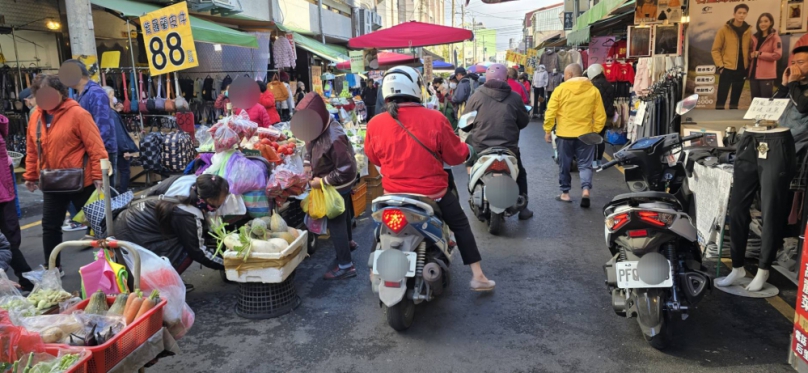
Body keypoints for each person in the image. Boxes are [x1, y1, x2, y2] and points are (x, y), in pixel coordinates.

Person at [365, 65, 496, 292]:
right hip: (432, 194)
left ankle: (372, 272)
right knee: (460, 223)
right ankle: (478, 276)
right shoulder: (434, 119)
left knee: (380, 229)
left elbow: (372, 156)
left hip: (392, 196)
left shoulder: (375, 123)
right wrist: (469, 152)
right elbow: (455, 155)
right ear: (416, 88)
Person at [23, 75, 108, 272]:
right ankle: (52, 269)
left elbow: (96, 148)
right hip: (52, 181)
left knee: (100, 226)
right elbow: (32, 149)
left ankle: (112, 265)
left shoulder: (78, 114)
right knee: (50, 226)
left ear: (61, 93)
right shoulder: (36, 116)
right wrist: (30, 175)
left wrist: (97, 176)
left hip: (83, 182)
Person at [296, 93, 358, 280]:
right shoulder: (317, 127)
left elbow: (346, 169)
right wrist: (307, 162)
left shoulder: (334, 136)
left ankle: (346, 265)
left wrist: (321, 182)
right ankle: (348, 242)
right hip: (330, 178)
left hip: (338, 182)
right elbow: (309, 144)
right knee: (344, 210)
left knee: (336, 220)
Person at [114, 174, 228, 275]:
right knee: (186, 250)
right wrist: (228, 264)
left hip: (125, 219)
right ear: (208, 199)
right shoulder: (186, 214)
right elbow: (198, 251)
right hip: (134, 234)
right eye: (220, 202)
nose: (221, 205)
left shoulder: (186, 181)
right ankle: (163, 284)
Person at [464, 64, 533, 219]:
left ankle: (473, 193)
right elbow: (523, 122)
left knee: (470, 165)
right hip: (508, 148)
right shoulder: (515, 97)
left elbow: (465, 122)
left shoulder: (476, 96)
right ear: (506, 79)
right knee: (520, 173)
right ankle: (523, 210)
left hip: (481, 147)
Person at [543, 64, 606, 208]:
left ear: (570, 74)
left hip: (565, 134)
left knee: (564, 164)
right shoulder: (593, 90)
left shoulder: (560, 90)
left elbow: (551, 111)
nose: (564, 77)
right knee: (585, 165)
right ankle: (585, 191)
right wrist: (594, 131)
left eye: (565, 74)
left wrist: (547, 130)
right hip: (586, 133)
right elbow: (600, 115)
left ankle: (565, 193)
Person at [0, 115, 33, 291]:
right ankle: (27, 280)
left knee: (7, 241)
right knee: (8, 240)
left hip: (3, 193)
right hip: (4, 191)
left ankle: (27, 280)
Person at [711, 4, 752, 110]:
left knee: (735, 100)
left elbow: (750, 49)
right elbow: (715, 50)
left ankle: (732, 122)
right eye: (739, 13)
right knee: (721, 98)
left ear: (746, 14)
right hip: (727, 69)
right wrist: (720, 66)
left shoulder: (748, 31)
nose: (742, 15)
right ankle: (718, 120)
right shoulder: (724, 30)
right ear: (734, 14)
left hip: (742, 69)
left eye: (744, 13)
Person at [102, 86, 139, 192]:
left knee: (112, 172)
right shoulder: (112, 114)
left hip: (110, 147)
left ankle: (115, 194)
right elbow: (118, 133)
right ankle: (121, 194)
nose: (114, 98)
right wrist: (125, 149)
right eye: (112, 95)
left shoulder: (105, 112)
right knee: (124, 171)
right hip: (117, 147)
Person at [585, 64, 615, 167]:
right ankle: (599, 161)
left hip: (596, 116)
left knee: (593, 139)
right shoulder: (610, 85)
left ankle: (593, 162)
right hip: (607, 116)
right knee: (601, 138)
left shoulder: (593, 86)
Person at [749, 13, 782, 99]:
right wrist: (751, 55)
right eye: (760, 22)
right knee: (755, 102)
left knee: (765, 102)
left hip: (766, 76)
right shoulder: (754, 37)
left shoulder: (775, 38)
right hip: (753, 74)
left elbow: (777, 55)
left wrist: (759, 54)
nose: (762, 24)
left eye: (766, 21)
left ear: (771, 22)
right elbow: (750, 52)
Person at [776, 46, 808, 136]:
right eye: (793, 63)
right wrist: (784, 85)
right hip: (783, 137)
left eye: (800, 62)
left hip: (803, 141)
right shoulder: (792, 85)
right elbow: (772, 108)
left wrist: (793, 83)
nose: (795, 66)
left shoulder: (793, 85)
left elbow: (803, 107)